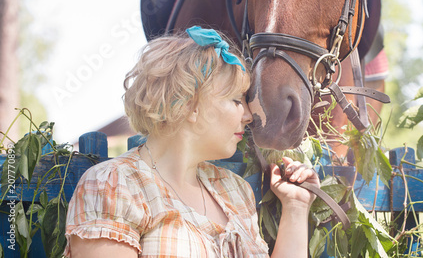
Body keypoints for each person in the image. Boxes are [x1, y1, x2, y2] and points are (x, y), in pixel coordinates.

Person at [64, 26, 320, 257]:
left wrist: (296, 205)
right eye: (235, 100)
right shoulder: (115, 186)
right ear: (190, 104)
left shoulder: (234, 191)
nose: (248, 115)